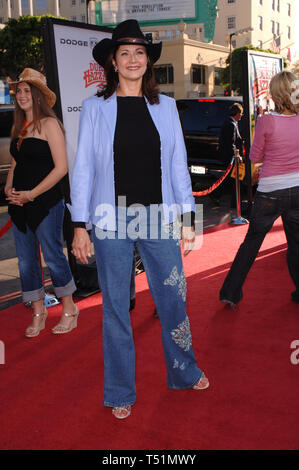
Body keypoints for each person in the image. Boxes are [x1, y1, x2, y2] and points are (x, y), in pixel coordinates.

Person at [70, 19, 209, 420]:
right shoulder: (95, 109)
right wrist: (80, 225)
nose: (133, 59)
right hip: (109, 219)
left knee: (174, 300)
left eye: (140, 52)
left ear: (148, 61)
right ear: (113, 61)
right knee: (115, 307)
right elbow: (83, 171)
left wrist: (188, 218)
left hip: (158, 217)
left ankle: (184, 372)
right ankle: (119, 391)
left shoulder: (165, 108)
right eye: (125, 53)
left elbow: (179, 164)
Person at [5, 68, 78, 337]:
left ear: (38, 96)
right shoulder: (19, 126)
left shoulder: (50, 125)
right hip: (19, 204)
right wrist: (9, 186)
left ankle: (69, 308)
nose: (22, 96)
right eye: (19, 91)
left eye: (27, 91)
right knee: (25, 262)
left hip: (45, 203)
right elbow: (16, 161)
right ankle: (39, 310)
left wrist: (32, 194)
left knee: (53, 257)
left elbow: (61, 169)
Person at [219, 70, 299, 306]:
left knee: (252, 242)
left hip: (270, 192)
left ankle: (230, 293)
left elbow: (255, 155)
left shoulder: (267, 121)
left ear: (275, 94)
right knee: (296, 243)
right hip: (297, 189)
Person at [210, 102, 244, 207]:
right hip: (230, 157)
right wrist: (236, 156)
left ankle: (218, 195)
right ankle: (229, 200)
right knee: (232, 179)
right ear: (237, 113)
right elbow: (230, 143)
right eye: (241, 113)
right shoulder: (231, 124)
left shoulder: (231, 123)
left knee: (230, 179)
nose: (242, 116)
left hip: (229, 156)